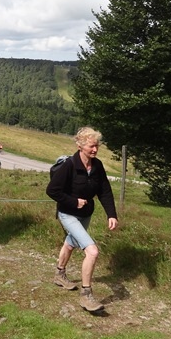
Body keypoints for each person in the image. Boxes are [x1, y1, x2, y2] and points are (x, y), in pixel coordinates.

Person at [46, 126, 118, 313]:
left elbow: (105, 191)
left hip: (86, 214)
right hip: (68, 213)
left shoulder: (97, 166)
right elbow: (52, 191)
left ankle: (59, 274)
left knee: (70, 243)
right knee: (92, 251)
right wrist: (73, 201)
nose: (94, 150)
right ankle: (87, 295)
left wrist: (111, 214)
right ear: (80, 146)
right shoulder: (69, 165)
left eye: (97, 146)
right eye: (91, 146)